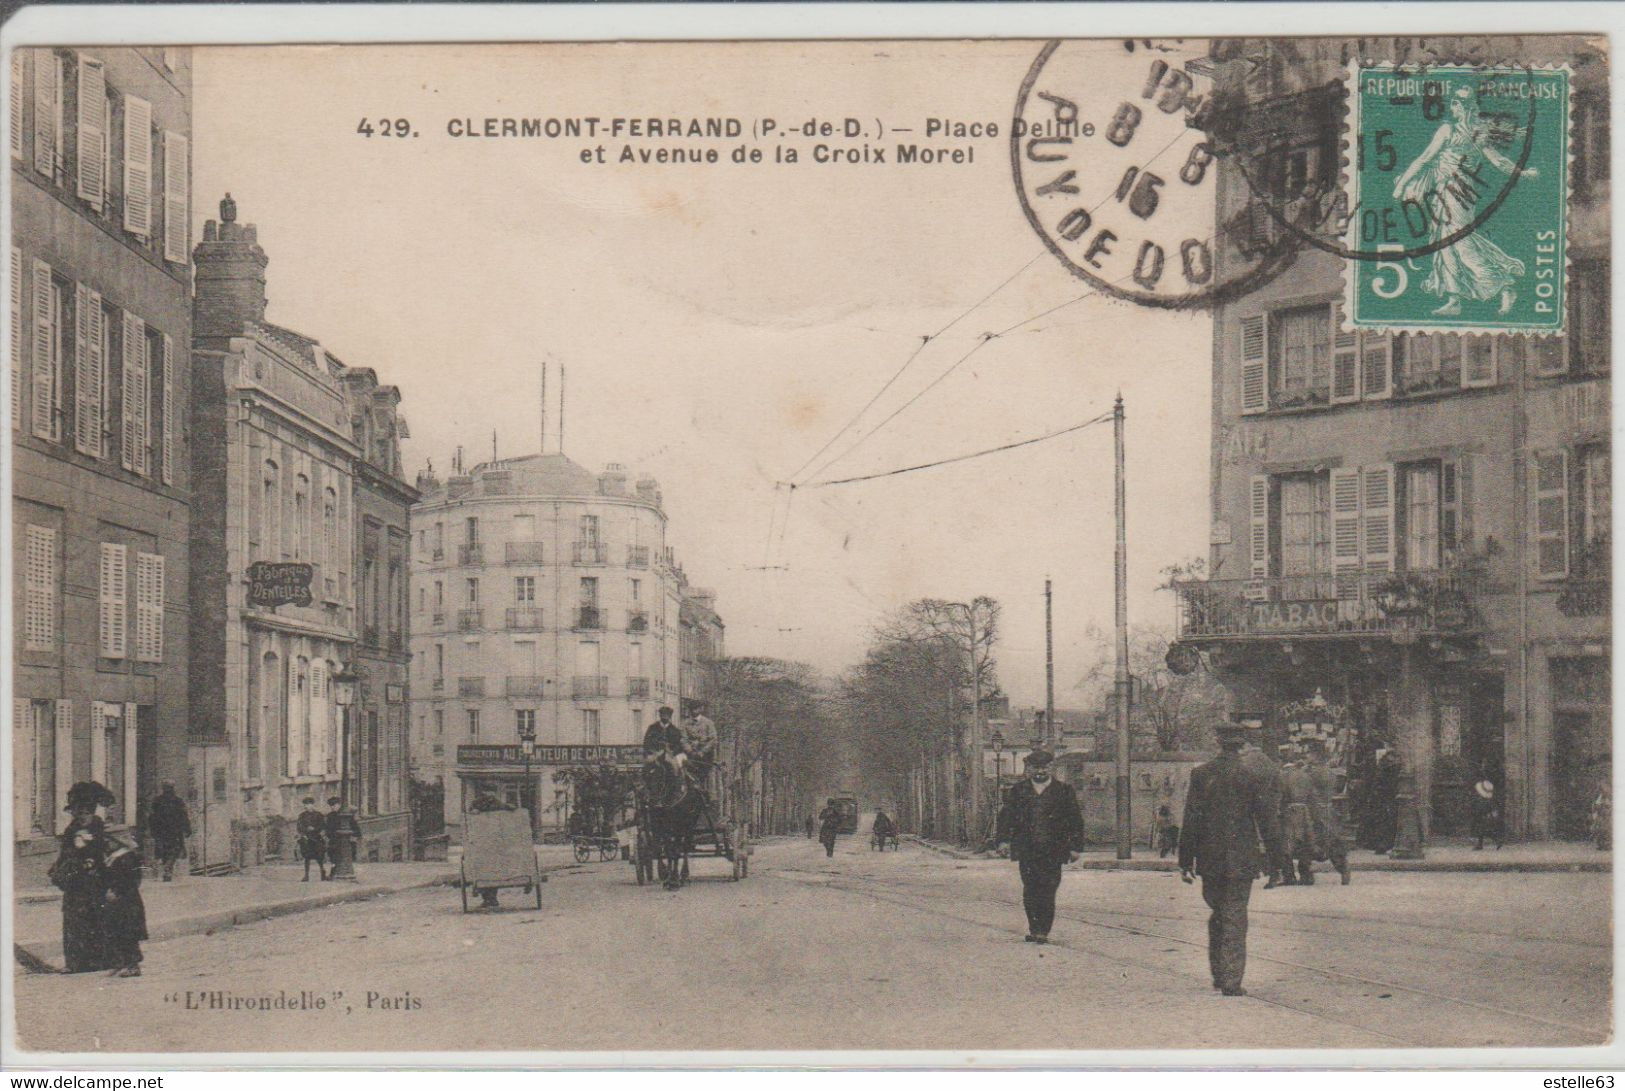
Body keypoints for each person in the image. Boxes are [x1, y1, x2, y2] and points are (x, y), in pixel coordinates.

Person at [1391, 85, 1538, 318]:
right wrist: (1523, 173)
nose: (1452, 108)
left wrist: (1401, 185)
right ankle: (1454, 298)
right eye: (1453, 104)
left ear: (1463, 107)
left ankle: (1504, 284)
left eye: (1456, 104)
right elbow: (1497, 161)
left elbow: (1425, 159)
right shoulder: (1468, 132)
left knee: (1460, 242)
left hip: (1459, 194)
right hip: (1446, 193)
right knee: (1444, 241)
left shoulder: (1457, 131)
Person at [1179, 722, 1286, 996]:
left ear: (1218, 741)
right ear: (1242, 744)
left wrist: (1185, 860)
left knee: (1218, 913)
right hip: (1242, 858)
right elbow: (1268, 822)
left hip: (1210, 859)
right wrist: (1277, 862)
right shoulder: (1252, 776)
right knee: (1236, 915)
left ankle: (1219, 972)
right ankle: (1231, 979)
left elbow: (1191, 819)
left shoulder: (1201, 774)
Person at [998, 749, 1085, 944]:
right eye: (1035, 768)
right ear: (1028, 769)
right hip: (1027, 849)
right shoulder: (1018, 791)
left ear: (1050, 768)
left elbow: (1075, 820)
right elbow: (1006, 818)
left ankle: (1043, 930)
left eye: (1044, 767)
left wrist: (1075, 847)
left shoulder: (1064, 791)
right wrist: (1003, 840)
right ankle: (1034, 927)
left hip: (1054, 850)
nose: (1040, 772)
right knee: (1030, 888)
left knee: (1049, 888)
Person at [50, 781, 115, 973]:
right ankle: (74, 963)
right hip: (75, 884)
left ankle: (99, 960)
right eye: (77, 813)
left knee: (96, 920)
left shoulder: (100, 830)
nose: (81, 817)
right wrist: (61, 869)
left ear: (93, 812)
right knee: (73, 922)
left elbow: (108, 858)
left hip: (96, 883)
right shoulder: (71, 831)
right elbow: (64, 855)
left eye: (85, 813)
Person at [1239, 727, 1289, 886]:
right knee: (1273, 841)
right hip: (1269, 808)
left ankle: (1252, 871)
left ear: (1247, 744)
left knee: (1248, 840)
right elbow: (1280, 786)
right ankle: (1277, 873)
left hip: (1249, 808)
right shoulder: (1269, 762)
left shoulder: (1244, 762)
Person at [1303, 741, 1352, 885]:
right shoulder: (1327, 771)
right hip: (1322, 810)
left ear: (1315, 755)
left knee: (1317, 841)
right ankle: (1341, 868)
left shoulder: (1316, 772)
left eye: (1309, 753)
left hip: (1318, 811)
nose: (1307, 756)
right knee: (1322, 841)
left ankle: (1341, 868)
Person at [102, 832, 149, 977]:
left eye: (110, 841)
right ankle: (120, 963)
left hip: (127, 901)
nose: (107, 844)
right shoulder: (113, 857)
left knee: (128, 934)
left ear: (119, 842)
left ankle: (132, 965)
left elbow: (129, 880)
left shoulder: (126, 857)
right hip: (117, 902)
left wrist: (116, 891)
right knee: (116, 932)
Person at [1280, 751, 1319, 884]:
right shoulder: (1306, 776)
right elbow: (1312, 796)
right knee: (1305, 843)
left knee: (1287, 844)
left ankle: (1289, 875)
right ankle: (1306, 874)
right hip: (1305, 811)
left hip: (1290, 811)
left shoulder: (1284, 776)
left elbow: (1281, 796)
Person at [148, 782, 191, 882]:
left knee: (165, 851)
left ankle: (167, 870)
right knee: (174, 851)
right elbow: (184, 816)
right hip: (174, 831)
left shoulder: (157, 800)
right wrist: (187, 829)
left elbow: (152, 816)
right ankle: (168, 869)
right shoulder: (178, 801)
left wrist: (153, 830)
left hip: (162, 831)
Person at [324, 796, 362, 875]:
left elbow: (355, 827)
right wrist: (329, 835)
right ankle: (333, 873)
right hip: (334, 840)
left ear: (339, 805)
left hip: (346, 841)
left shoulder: (347, 814)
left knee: (344, 857)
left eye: (334, 805)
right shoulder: (330, 816)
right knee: (333, 857)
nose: (332, 807)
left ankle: (342, 872)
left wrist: (355, 836)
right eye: (331, 806)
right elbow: (327, 828)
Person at [296, 797, 329, 881]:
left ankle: (322, 873)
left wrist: (314, 829)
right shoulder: (302, 815)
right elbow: (299, 827)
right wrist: (305, 831)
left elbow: (322, 825)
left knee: (319, 857)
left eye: (308, 804)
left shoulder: (319, 815)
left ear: (312, 805)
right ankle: (306, 875)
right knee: (307, 857)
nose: (306, 806)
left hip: (317, 838)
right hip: (306, 838)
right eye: (305, 805)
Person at [1470, 775, 1504, 851]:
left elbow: (1483, 808)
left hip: (1483, 815)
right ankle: (1480, 844)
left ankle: (1497, 841)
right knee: (1482, 829)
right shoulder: (1488, 799)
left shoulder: (1483, 800)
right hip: (1485, 814)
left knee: (1483, 830)